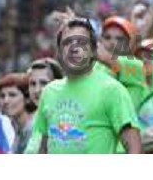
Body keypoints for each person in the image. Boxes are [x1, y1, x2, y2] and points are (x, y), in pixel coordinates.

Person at [34, 17, 141, 154]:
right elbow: (44, 148)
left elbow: (134, 148)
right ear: (59, 52)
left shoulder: (112, 89)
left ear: (93, 51)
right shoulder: (49, 91)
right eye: (67, 43)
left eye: (81, 42)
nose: (74, 48)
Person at [24, 58, 63, 154]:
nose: (37, 90)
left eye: (44, 83)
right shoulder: (35, 119)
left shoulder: (65, 119)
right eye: (32, 84)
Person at [0, 73, 35, 154]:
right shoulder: (18, 127)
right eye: (2, 96)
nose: (6, 101)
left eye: (12, 95)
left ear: (27, 98)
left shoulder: (33, 128)